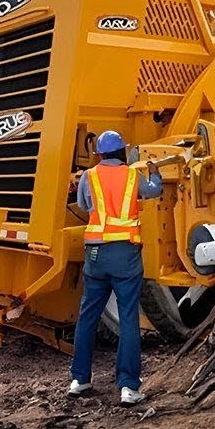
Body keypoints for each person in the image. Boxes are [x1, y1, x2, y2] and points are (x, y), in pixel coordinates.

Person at [68, 130, 162, 405]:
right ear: (123, 151)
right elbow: (154, 191)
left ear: (99, 154)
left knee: (87, 316)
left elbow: (85, 205)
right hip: (125, 254)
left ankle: (79, 379)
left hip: (96, 255)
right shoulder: (133, 175)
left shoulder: (89, 176)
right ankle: (128, 387)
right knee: (128, 317)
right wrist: (155, 173)